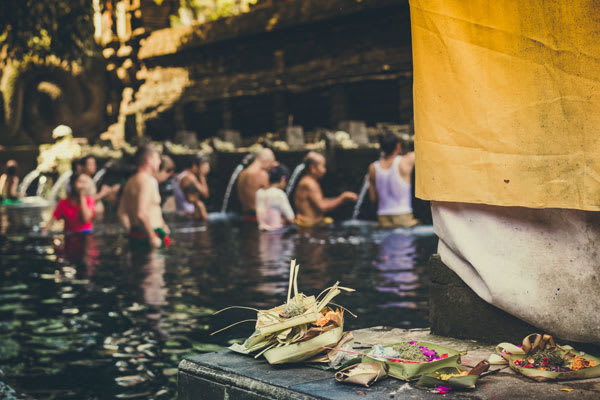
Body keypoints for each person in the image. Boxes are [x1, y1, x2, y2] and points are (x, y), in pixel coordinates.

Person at [118, 145, 170, 249]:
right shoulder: (147, 181)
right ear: (149, 160)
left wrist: (131, 232)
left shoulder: (130, 181)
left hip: (135, 235)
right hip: (150, 238)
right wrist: (152, 238)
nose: (160, 161)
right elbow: (141, 214)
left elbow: (121, 213)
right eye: (157, 158)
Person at [368, 132, 419, 228]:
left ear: (381, 148)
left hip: (383, 216)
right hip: (403, 215)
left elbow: (373, 198)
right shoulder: (405, 161)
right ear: (398, 146)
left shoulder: (373, 167)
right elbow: (422, 151)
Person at [294, 152, 357, 227]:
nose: (325, 170)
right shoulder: (309, 183)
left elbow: (320, 201)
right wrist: (343, 198)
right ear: (313, 168)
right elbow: (322, 207)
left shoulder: (310, 181)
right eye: (323, 166)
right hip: (308, 226)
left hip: (312, 224)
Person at [236, 148, 276, 221]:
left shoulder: (243, 173)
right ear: (265, 160)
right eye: (271, 164)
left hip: (245, 216)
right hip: (257, 217)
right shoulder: (261, 174)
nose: (270, 168)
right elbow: (269, 199)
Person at [256, 164, 295, 231]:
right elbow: (291, 219)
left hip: (261, 231)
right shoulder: (279, 194)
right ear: (283, 179)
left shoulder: (259, 192)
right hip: (276, 233)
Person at [173, 154, 210, 219]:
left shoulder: (180, 175)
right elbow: (205, 194)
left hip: (181, 212)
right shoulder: (190, 177)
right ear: (194, 165)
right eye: (202, 166)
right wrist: (202, 176)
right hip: (189, 214)